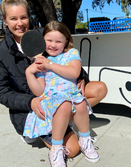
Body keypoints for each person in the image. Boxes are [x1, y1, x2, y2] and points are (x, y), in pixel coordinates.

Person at [0, 0, 107, 160]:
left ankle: (66, 120)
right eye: (13, 19)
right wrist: (30, 101)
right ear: (5, 20)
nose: (19, 23)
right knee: (72, 150)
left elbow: (67, 55)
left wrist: (81, 77)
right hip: (32, 107)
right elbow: (1, 91)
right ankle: (38, 132)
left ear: (29, 17)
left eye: (23, 17)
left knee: (98, 89)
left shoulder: (45, 35)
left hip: (59, 93)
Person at [24, 20, 99, 166]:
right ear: (42, 41)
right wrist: (29, 73)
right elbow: (39, 90)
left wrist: (50, 65)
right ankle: (56, 148)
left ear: (66, 42)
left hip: (71, 96)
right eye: (49, 40)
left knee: (81, 103)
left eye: (58, 41)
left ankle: (85, 139)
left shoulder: (71, 54)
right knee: (64, 104)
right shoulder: (41, 61)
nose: (53, 44)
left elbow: (74, 72)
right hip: (51, 100)